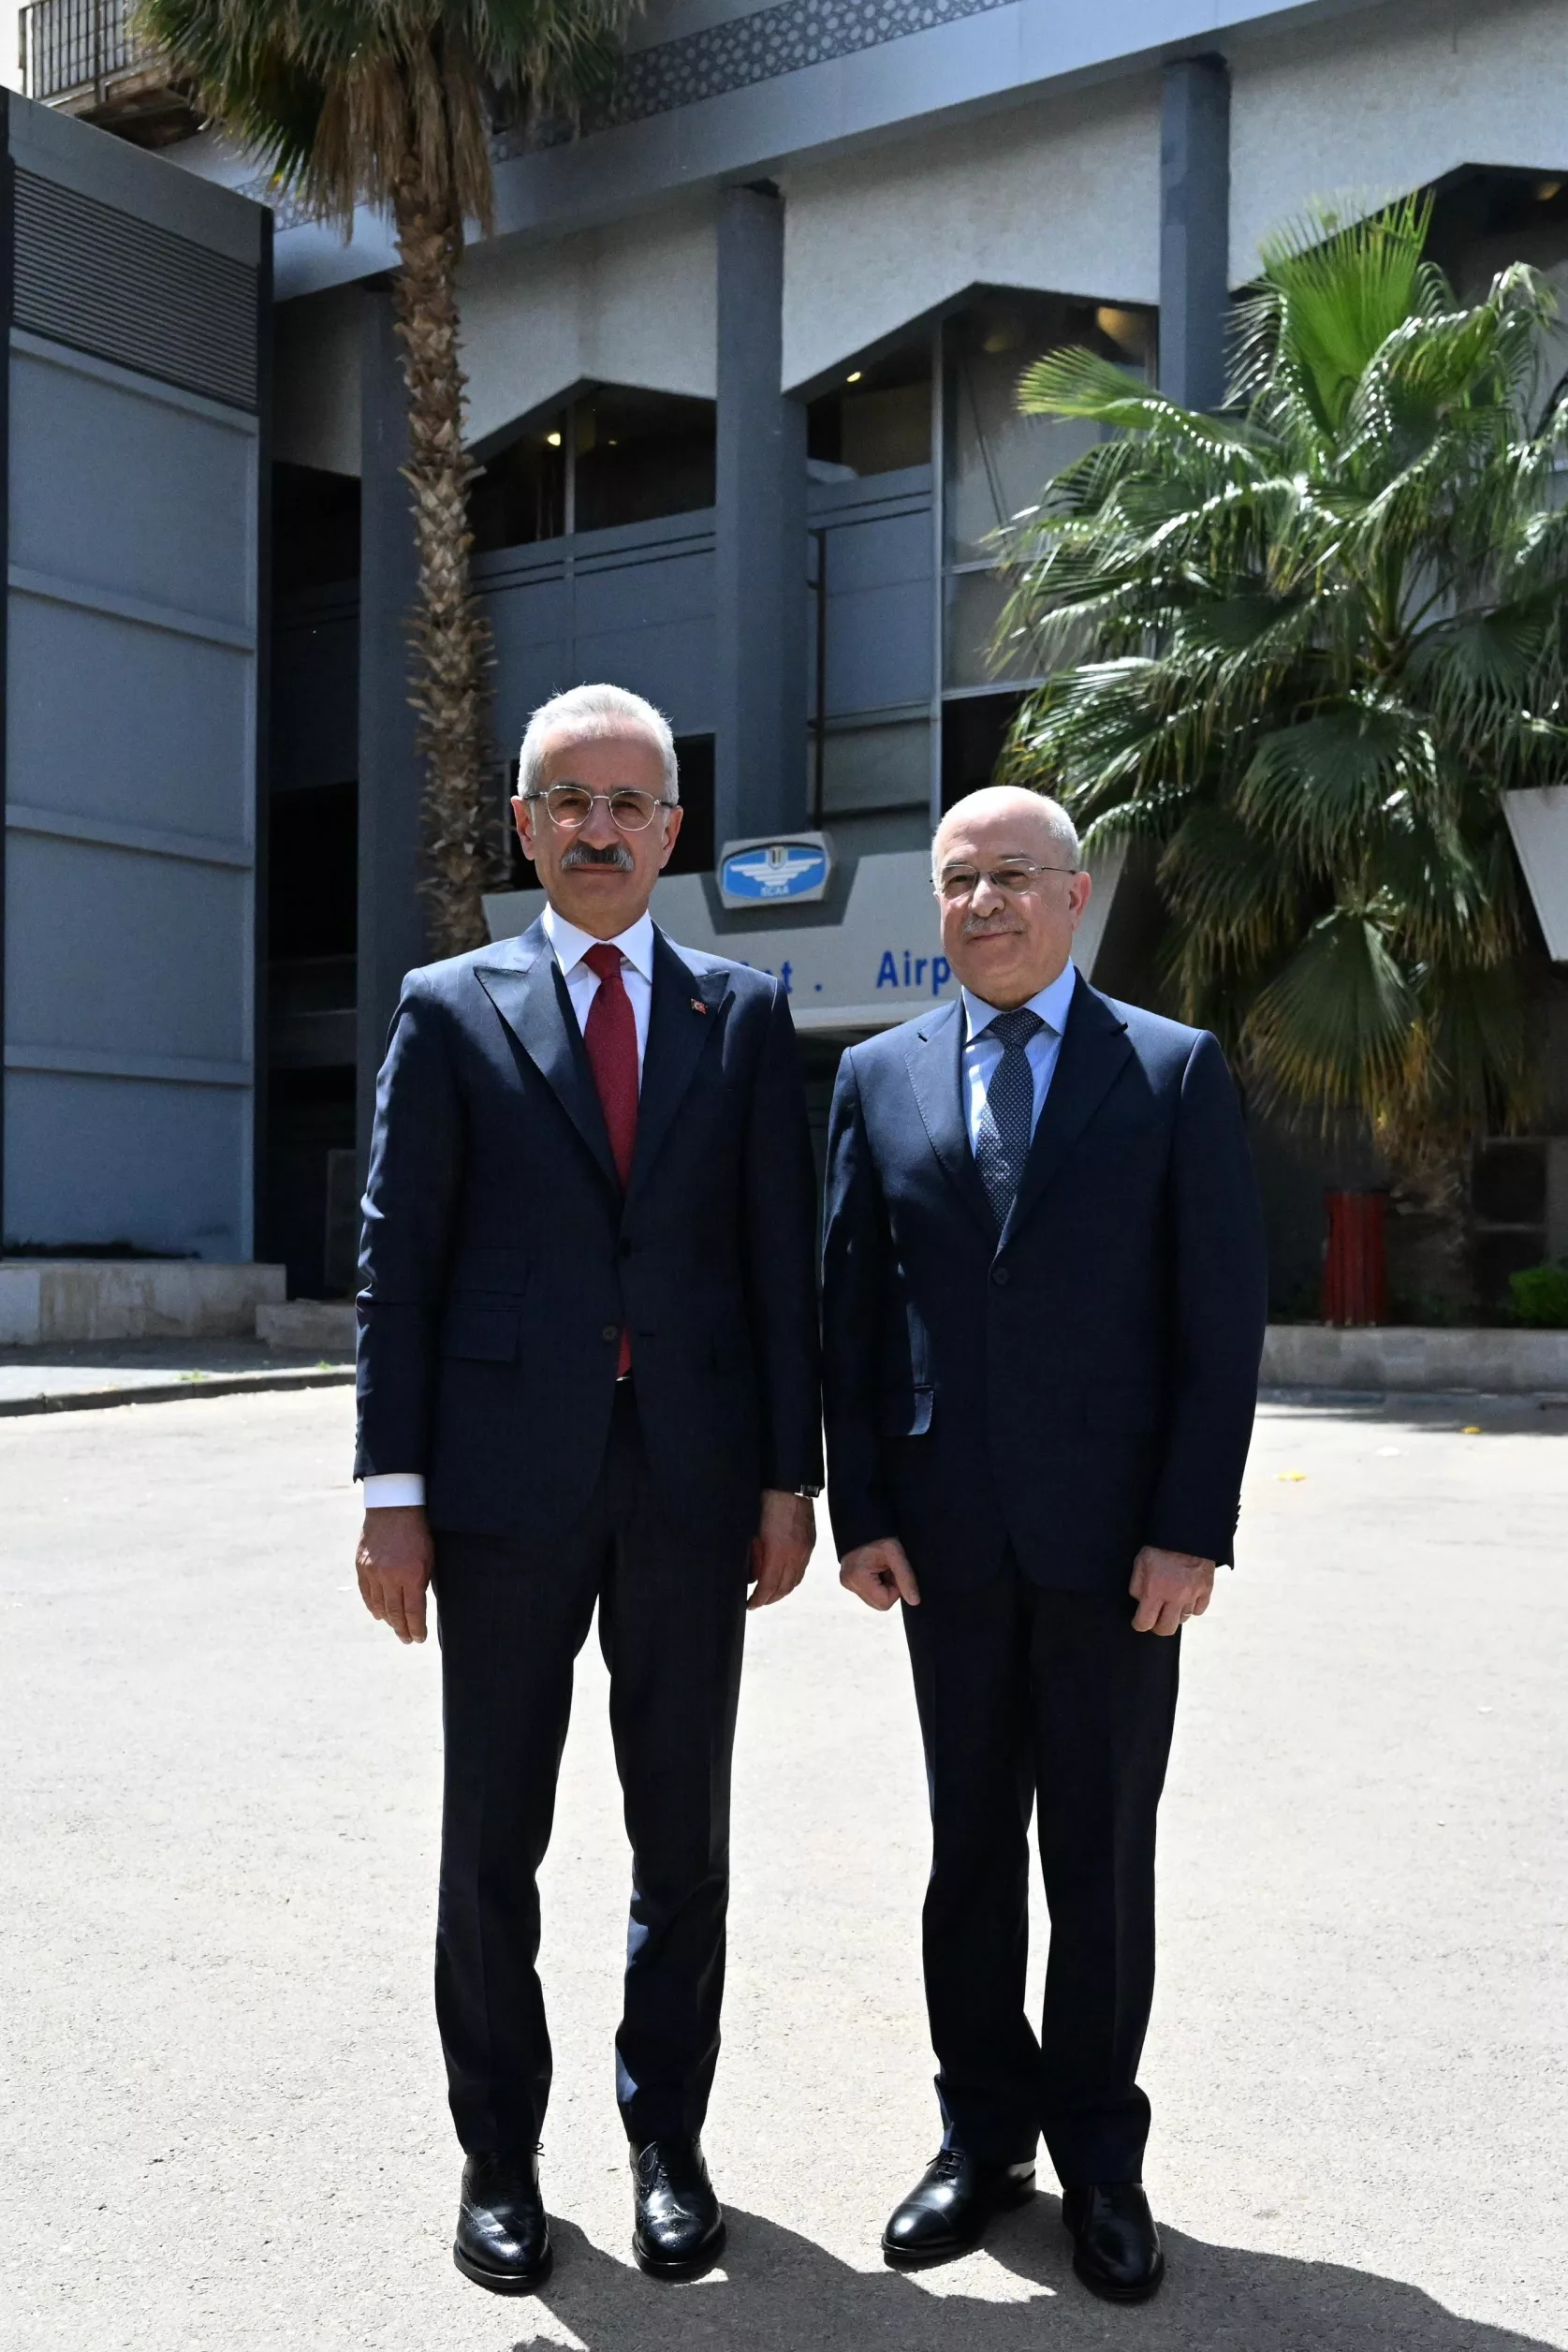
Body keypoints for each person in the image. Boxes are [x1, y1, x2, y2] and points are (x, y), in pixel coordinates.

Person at [353, 684, 822, 2294]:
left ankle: (666, 2143)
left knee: (681, 1836)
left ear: (672, 829)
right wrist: (393, 1492)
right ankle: (498, 2157)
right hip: (499, 1490)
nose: (600, 828)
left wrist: (787, 1481)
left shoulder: (738, 1015)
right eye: (570, 800)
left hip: (693, 1484)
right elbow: (397, 1265)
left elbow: (776, 1267)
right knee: (493, 1835)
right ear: (524, 824)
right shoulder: (447, 1008)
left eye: (629, 804)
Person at [821, 785, 1267, 2304]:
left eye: (1012, 876)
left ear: (1075, 897)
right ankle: (980, 2137)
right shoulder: (876, 1076)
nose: (983, 903)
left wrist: (1187, 1532)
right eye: (957, 881)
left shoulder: (1170, 1068)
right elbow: (849, 1311)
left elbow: (1217, 1320)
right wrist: (863, 1508)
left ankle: (1099, 2159)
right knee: (966, 1855)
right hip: (941, 1546)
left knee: (1098, 1858)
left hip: (1115, 1554)